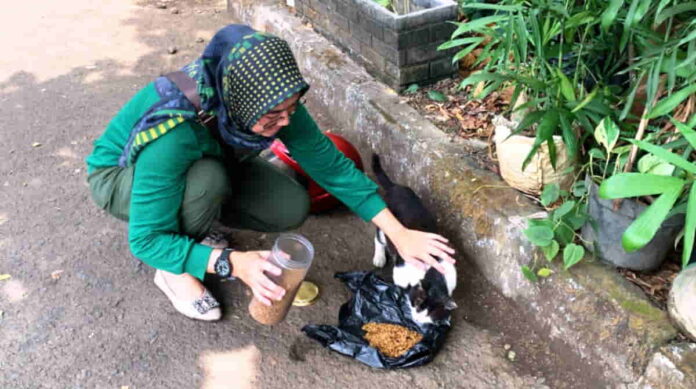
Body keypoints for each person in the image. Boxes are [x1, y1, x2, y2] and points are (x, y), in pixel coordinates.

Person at [85, 24, 455, 321]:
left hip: (206, 159)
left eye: (292, 109)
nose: (286, 121)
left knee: (290, 205)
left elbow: (332, 167)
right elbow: (145, 240)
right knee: (206, 183)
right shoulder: (174, 132)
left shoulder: (272, 99)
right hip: (122, 177)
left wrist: (400, 233)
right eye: (273, 117)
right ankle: (174, 271)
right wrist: (230, 263)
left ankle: (198, 220)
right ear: (239, 104)